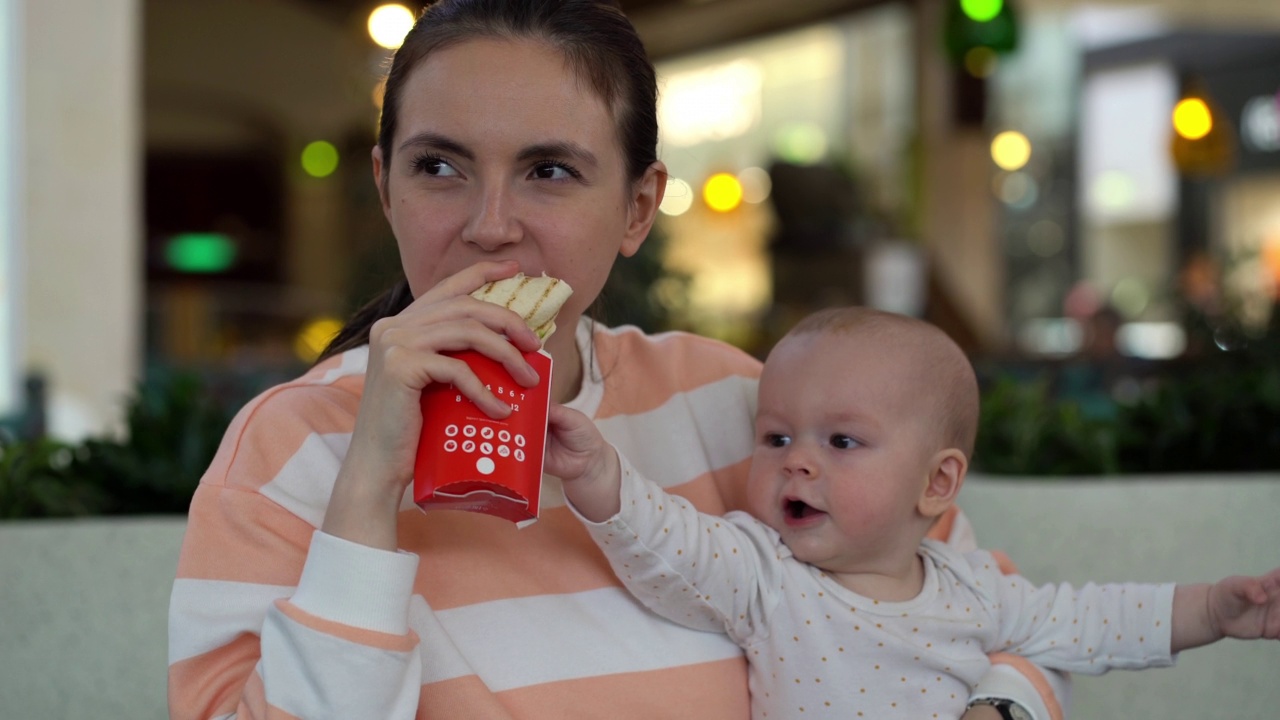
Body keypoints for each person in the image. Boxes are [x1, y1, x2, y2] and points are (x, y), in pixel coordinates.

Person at [167, 2, 1069, 718]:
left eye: (548, 172)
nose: (488, 225)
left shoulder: (742, 408)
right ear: (385, 187)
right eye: (439, 167)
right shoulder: (290, 448)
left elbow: (1004, 627)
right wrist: (367, 487)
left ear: (638, 209)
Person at [547, 305, 1280, 719]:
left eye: (841, 441)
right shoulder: (764, 573)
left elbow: (1093, 623)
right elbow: (671, 547)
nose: (797, 460)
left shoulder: (974, 587)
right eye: (775, 437)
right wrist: (603, 474)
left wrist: (1214, 612)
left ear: (937, 485)